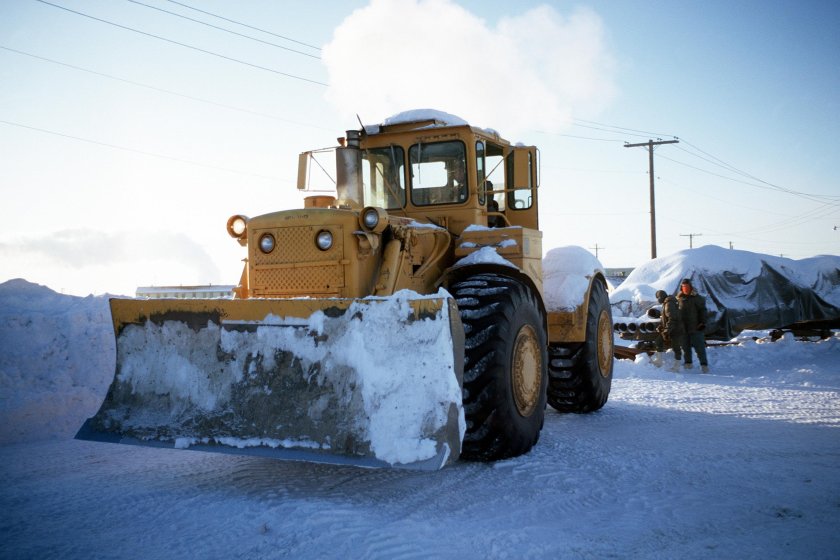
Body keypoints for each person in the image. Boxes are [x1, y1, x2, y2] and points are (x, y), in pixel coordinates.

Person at [676, 278, 709, 373]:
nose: (685, 288)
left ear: (690, 287)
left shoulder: (697, 298)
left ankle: (704, 365)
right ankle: (688, 364)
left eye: (686, 286)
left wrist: (702, 323)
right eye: (683, 287)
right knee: (685, 347)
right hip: (683, 328)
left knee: (699, 348)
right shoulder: (679, 298)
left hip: (696, 327)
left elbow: (703, 311)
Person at [653, 289, 685, 372]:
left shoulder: (669, 304)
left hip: (676, 329)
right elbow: (666, 318)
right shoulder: (667, 302)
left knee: (676, 347)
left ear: (661, 297)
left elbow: (672, 319)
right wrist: (662, 326)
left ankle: (677, 367)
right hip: (672, 328)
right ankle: (659, 361)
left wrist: (666, 331)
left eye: (658, 298)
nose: (658, 300)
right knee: (658, 341)